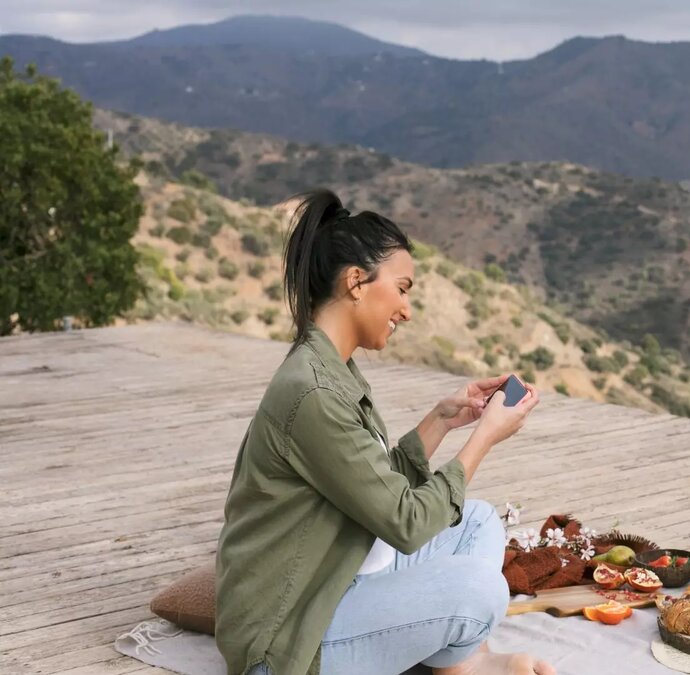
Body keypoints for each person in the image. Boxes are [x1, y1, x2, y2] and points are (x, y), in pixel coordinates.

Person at [215, 188, 554, 675]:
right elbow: (405, 522)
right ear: (356, 282)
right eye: (402, 288)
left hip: (343, 572)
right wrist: (482, 441)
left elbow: (367, 485)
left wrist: (441, 420)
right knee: (478, 590)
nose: (406, 310)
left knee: (477, 522)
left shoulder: (334, 368)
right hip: (289, 637)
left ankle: (459, 660)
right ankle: (462, 661)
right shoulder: (313, 393)